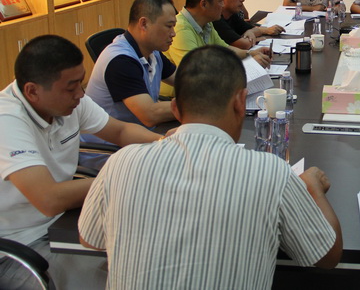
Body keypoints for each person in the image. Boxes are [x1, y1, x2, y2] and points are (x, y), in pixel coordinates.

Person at [79, 46, 343, 289]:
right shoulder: (272, 173)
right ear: (240, 102)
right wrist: (313, 188)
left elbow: (90, 239)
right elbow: (327, 256)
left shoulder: (120, 163)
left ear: (175, 109)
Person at [0, 35, 161, 289]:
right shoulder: (7, 121)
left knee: (143, 256)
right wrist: (122, 176)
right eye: (71, 88)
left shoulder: (69, 102)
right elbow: (49, 199)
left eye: (80, 82)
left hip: (64, 224)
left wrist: (166, 144)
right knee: (116, 279)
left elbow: (120, 131)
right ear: (32, 91)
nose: (81, 94)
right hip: (18, 248)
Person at [81, 0, 178, 168]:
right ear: (144, 23)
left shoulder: (152, 52)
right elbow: (149, 115)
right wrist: (199, 104)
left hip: (138, 140)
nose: (173, 33)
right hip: (109, 151)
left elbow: (183, 80)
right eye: (168, 26)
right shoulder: (120, 61)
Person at [160, 0, 270, 98]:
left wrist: (251, 54)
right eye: (220, 1)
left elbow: (225, 50)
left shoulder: (207, 23)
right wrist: (249, 66)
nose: (223, 5)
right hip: (177, 98)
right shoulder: (181, 29)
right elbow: (196, 73)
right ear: (204, 4)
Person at [214, 0, 284, 50]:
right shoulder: (216, 20)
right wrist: (254, 38)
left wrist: (250, 32)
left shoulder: (232, 15)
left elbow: (252, 29)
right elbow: (243, 45)